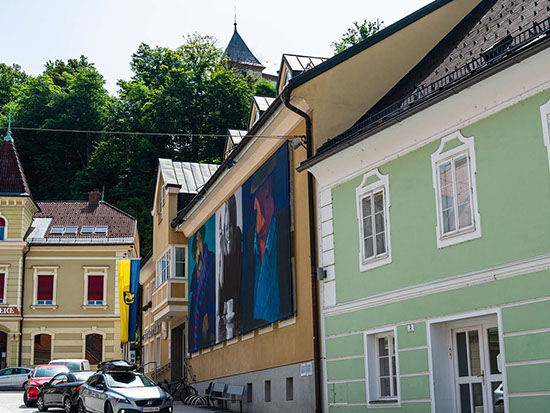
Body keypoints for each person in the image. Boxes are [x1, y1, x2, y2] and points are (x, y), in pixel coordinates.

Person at [244, 155, 291, 329]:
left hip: (282, 321)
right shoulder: (251, 236)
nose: (254, 207)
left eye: (256, 197)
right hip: (256, 327)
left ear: (267, 188)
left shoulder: (285, 222)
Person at [217, 195, 243, 341]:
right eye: (225, 228)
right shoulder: (222, 243)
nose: (227, 234)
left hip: (236, 308)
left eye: (229, 227)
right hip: (227, 300)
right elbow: (221, 283)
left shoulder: (238, 236)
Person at [188, 225, 215, 351]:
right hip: (197, 325)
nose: (197, 246)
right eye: (195, 241)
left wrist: (209, 315)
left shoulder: (212, 261)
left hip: (209, 322)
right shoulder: (195, 274)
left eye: (199, 240)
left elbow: (220, 293)